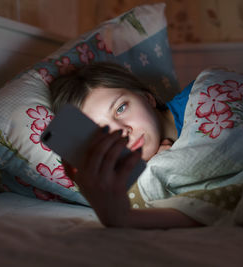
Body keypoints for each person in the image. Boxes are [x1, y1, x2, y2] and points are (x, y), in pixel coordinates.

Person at [50, 62, 201, 228]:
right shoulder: (129, 183)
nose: (122, 131)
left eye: (121, 108)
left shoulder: (203, 98)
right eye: (103, 132)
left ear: (147, 97)